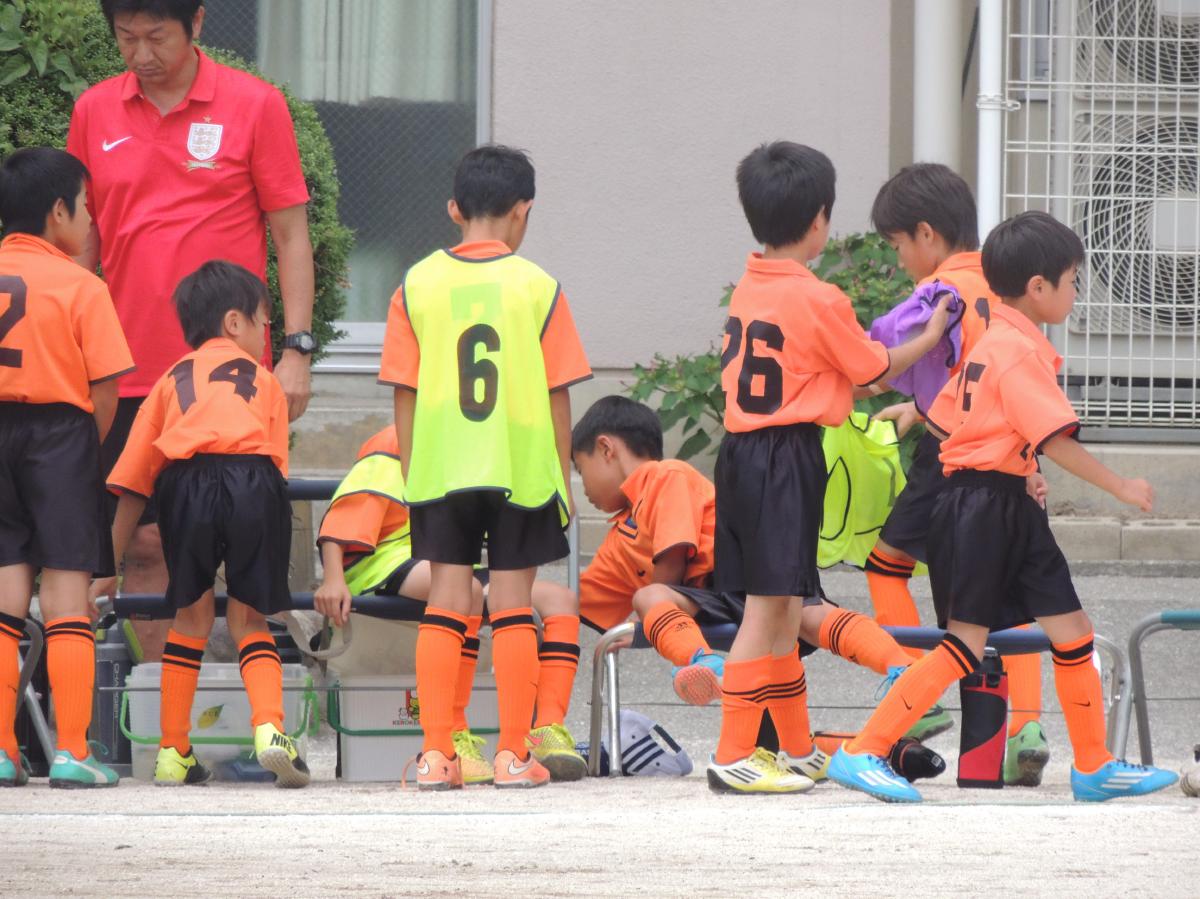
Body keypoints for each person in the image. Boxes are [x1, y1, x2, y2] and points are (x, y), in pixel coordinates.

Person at [827, 211, 1178, 803]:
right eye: (1072, 280)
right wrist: (1120, 486)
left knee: (1072, 631)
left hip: (996, 500)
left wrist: (1020, 468)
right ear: (1038, 287)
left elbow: (948, 422)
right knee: (964, 646)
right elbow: (1055, 438)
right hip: (985, 506)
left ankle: (1093, 766)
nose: (1076, 292)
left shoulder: (993, 343)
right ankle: (864, 749)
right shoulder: (1017, 350)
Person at [70, 0, 315, 663]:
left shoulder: (255, 104)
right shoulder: (94, 110)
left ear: (198, 23)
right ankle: (163, 706)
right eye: (126, 38)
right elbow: (84, 238)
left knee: (240, 543)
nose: (141, 54)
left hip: (229, 375)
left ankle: (244, 709)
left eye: (157, 37)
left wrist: (296, 349)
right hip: (124, 367)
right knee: (142, 541)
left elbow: (291, 234)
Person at [707, 141, 951, 794]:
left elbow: (828, 372)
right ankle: (733, 752)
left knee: (787, 606)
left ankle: (794, 747)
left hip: (742, 454)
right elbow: (874, 367)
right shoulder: (819, 298)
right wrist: (929, 338)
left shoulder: (751, 284)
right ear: (819, 219)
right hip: (784, 456)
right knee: (767, 609)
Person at [574, 395, 932, 778]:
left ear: (606, 449)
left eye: (580, 468)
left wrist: (657, 624)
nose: (584, 487)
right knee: (775, 742)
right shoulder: (618, 533)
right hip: (712, 598)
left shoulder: (665, 475)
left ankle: (902, 668)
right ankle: (890, 750)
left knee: (804, 614)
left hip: (742, 570)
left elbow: (673, 557)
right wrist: (526, 600)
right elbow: (579, 602)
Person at [380, 145, 591, 790]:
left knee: (447, 601)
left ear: (454, 210)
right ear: (524, 210)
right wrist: (562, 478)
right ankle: (512, 756)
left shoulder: (415, 284)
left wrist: (414, 471)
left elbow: (404, 391)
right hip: (519, 465)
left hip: (441, 465)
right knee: (512, 603)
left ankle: (435, 756)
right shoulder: (539, 287)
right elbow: (558, 394)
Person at [864, 163, 1049, 782]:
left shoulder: (936, 292)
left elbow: (884, 357)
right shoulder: (1005, 287)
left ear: (926, 234)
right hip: (1013, 454)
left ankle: (911, 693)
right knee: (1011, 596)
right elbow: (988, 376)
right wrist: (917, 410)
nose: (900, 261)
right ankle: (1026, 728)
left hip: (951, 457)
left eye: (898, 245)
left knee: (886, 564)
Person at [97, 260, 309, 788]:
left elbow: (132, 479)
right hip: (253, 479)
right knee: (250, 619)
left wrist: (108, 565)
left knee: (189, 618)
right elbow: (276, 467)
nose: (265, 334)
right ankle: (269, 729)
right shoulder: (264, 381)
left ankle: (173, 751)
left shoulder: (169, 380)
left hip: (184, 482)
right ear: (235, 322)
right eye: (263, 323)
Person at [314, 426, 587, 784]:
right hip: (385, 559)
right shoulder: (395, 438)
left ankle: (546, 729)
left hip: (449, 562)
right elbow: (344, 517)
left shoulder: (485, 436)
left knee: (560, 599)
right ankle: (453, 738)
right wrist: (332, 578)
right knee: (466, 592)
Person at [0, 147, 133, 788]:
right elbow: (106, 388)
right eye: (85, 207)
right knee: (66, 595)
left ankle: (2, 751)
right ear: (58, 211)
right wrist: (82, 450)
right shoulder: (82, 285)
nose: (90, 220)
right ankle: (73, 751)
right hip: (60, 433)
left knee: (4, 595)